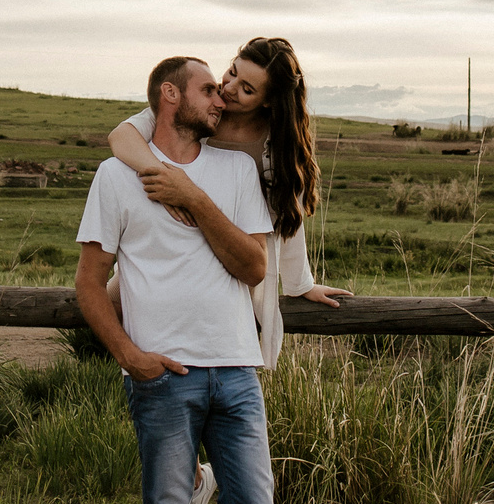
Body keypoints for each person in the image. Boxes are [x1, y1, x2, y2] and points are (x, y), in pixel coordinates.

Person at [76, 55, 278, 504]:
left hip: (238, 373)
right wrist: (128, 354)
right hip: (164, 379)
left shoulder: (235, 170)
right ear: (170, 96)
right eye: (208, 90)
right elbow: (88, 283)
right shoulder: (116, 177)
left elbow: (252, 267)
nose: (221, 100)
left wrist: (194, 197)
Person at [103, 34, 352, 366]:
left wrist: (300, 284)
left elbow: (287, 220)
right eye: (232, 72)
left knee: (220, 339)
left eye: (247, 89)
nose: (230, 88)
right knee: (118, 296)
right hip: (173, 240)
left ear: (268, 101)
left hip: (232, 253)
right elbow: (121, 137)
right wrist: (172, 183)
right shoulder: (197, 109)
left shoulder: (275, 146)